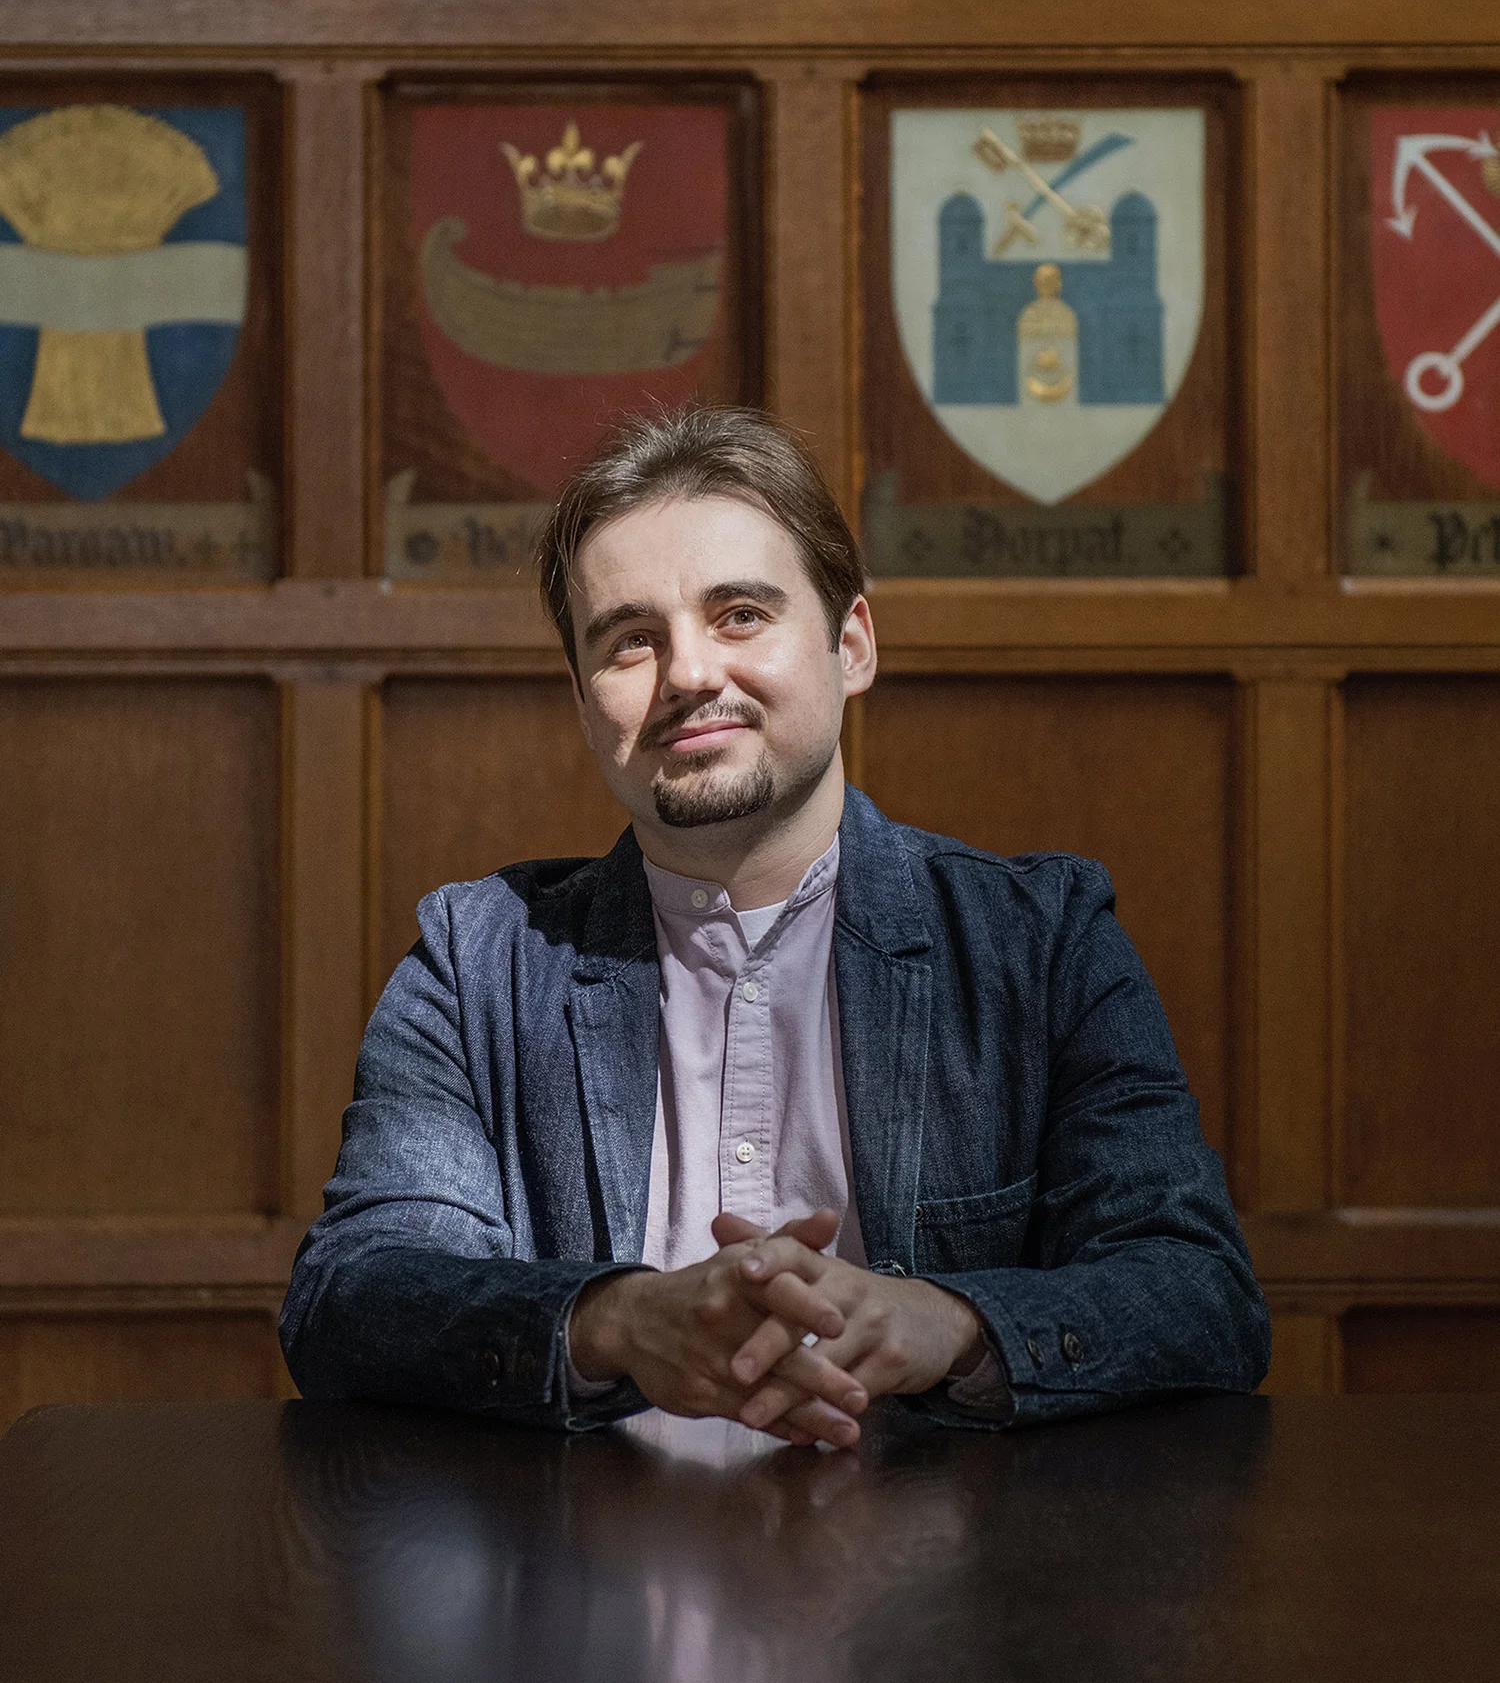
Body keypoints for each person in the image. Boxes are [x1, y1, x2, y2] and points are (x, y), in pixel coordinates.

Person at [280, 406, 1270, 1446]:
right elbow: (353, 1294)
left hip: (959, 1592)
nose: (692, 673)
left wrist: (957, 1324)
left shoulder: (1043, 940)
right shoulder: (474, 962)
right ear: (582, 703)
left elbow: (1197, 1292)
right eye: (630, 641)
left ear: (851, 645)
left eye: (740, 614)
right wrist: (613, 1321)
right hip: (582, 1585)